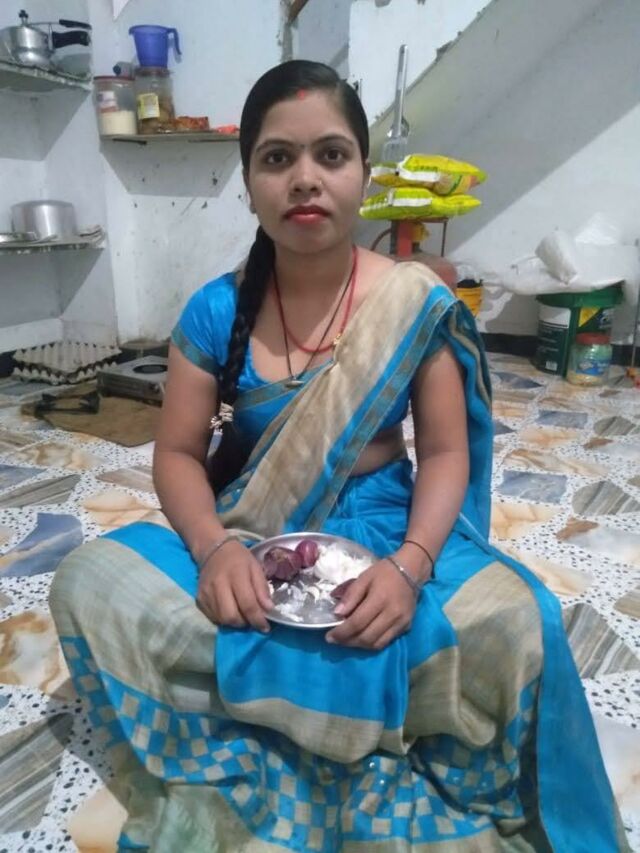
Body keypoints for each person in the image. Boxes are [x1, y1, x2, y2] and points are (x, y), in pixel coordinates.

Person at [50, 60, 628, 852]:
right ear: (248, 183)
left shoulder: (412, 301)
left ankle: (275, 705)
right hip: (253, 529)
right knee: (91, 579)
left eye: (330, 154)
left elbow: (446, 453)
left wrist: (411, 568)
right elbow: (178, 454)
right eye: (277, 158)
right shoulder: (216, 309)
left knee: (524, 622)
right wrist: (214, 549)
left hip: (389, 526)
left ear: (364, 175)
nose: (305, 178)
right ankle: (328, 715)